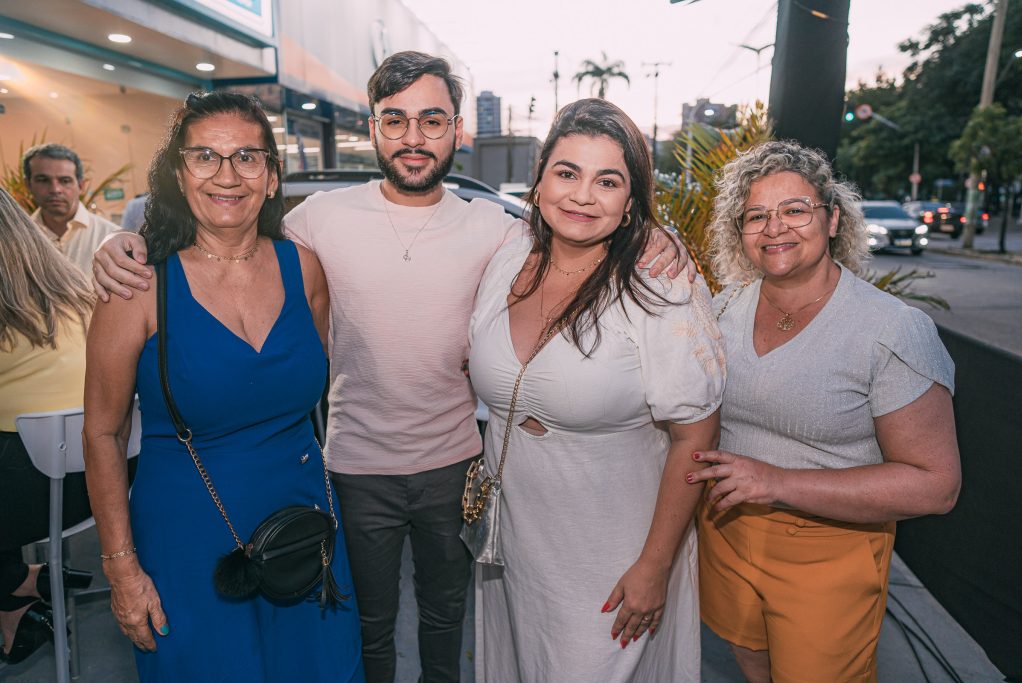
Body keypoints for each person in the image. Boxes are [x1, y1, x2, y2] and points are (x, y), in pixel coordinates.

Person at [89, 52, 689, 683]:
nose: (413, 137)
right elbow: (222, 237)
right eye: (394, 119)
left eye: (432, 120)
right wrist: (118, 244)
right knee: (362, 627)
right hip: (352, 467)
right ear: (372, 128)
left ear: (458, 131)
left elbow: (578, 233)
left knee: (445, 621)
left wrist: (653, 234)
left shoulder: (497, 228)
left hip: (457, 464)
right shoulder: (316, 224)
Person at [82, 91, 364, 682]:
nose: (227, 175)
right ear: (179, 176)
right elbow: (103, 434)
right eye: (205, 157)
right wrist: (121, 570)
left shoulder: (305, 269)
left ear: (270, 176)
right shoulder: (137, 286)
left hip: (302, 523)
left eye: (247, 158)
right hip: (187, 539)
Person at [468, 98, 724, 682]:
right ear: (538, 182)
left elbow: (696, 438)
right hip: (511, 541)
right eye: (567, 173)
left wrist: (655, 567)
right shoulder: (510, 256)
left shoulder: (661, 289)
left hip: (610, 551)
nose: (583, 196)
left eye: (607, 181)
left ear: (631, 201)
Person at [688, 140, 961, 683]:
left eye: (795, 210)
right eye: (756, 216)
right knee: (752, 664)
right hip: (726, 532)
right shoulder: (722, 309)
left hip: (830, 552)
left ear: (833, 218)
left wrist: (777, 482)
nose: (775, 228)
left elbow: (936, 486)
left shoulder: (890, 329)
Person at [0, 188, 95, 664]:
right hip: (101, 480)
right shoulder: (74, 288)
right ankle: (20, 596)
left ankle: (19, 584)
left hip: (27, 490)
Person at [24, 143, 121, 274]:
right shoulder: (17, 241)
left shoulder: (111, 237)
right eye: (43, 180)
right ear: (28, 185)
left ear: (81, 186)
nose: (55, 189)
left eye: (65, 181)